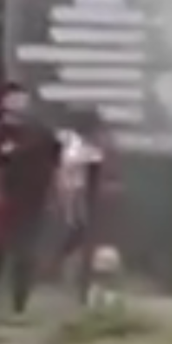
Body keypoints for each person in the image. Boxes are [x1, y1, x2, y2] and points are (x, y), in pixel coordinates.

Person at [0, 84, 60, 318]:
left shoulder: (41, 131)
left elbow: (55, 154)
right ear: (4, 102)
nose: (17, 104)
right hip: (1, 197)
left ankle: (19, 302)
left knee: (25, 252)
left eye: (22, 100)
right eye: (12, 99)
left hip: (31, 198)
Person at [56, 109, 109, 304]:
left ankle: (80, 286)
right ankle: (76, 285)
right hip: (75, 199)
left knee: (80, 241)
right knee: (78, 239)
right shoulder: (78, 146)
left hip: (78, 199)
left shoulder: (79, 146)